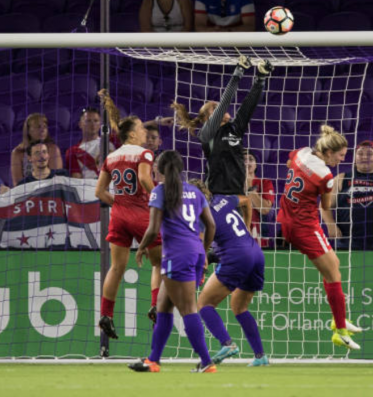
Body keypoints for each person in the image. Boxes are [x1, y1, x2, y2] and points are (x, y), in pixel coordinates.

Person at [129, 151, 217, 373]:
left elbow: (152, 229)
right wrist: (203, 251)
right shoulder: (195, 191)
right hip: (194, 253)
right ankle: (153, 360)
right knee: (163, 306)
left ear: (159, 169)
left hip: (176, 255)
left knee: (188, 309)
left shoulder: (160, 191)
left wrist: (140, 248)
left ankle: (206, 361)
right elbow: (211, 226)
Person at [277, 125, 363, 350]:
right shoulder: (325, 175)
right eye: (340, 155)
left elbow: (289, 162)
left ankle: (339, 319)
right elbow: (326, 205)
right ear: (327, 153)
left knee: (334, 263)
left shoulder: (302, 152)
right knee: (334, 274)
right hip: (304, 226)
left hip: (287, 218)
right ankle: (340, 332)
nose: (342, 160)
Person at [95, 96, 162, 339]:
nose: (145, 131)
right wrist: (158, 196)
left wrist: (120, 203)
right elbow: (144, 178)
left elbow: (99, 192)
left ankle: (106, 315)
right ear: (132, 135)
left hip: (119, 215)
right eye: (142, 128)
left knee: (116, 268)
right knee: (159, 263)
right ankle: (156, 306)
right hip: (141, 214)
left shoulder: (111, 157)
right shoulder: (143, 154)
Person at [189, 178, 269, 367]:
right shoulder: (222, 200)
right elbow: (247, 201)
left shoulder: (200, 215)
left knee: (204, 303)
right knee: (239, 307)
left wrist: (200, 266)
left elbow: (201, 246)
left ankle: (227, 344)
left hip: (235, 257)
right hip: (255, 253)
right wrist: (248, 229)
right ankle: (260, 356)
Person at [172, 55, 273, 196]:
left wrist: (261, 78)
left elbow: (248, 106)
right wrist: (238, 72)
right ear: (207, 118)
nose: (220, 107)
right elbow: (226, 101)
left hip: (238, 193)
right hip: (215, 194)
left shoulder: (234, 128)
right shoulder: (206, 134)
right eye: (215, 107)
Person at [322, 140, 373, 250]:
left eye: (369, 154)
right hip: (347, 241)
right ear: (355, 158)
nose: (364, 157)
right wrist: (331, 225)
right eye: (360, 154)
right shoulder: (341, 178)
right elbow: (324, 205)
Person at [11, 113, 63, 186]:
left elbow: (57, 178)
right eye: (38, 127)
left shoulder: (53, 149)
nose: (43, 130)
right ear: (28, 130)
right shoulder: (18, 152)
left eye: (45, 126)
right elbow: (17, 184)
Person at [65, 107, 115, 179]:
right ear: (80, 124)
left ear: (100, 124)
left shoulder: (111, 140)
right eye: (88, 121)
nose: (93, 124)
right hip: (90, 187)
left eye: (96, 121)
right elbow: (76, 179)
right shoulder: (73, 151)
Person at [244, 149, 275, 248]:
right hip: (238, 237)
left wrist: (249, 187)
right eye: (243, 160)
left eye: (251, 159)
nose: (247, 162)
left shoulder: (265, 183)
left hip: (260, 239)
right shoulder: (232, 185)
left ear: (256, 165)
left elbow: (265, 209)